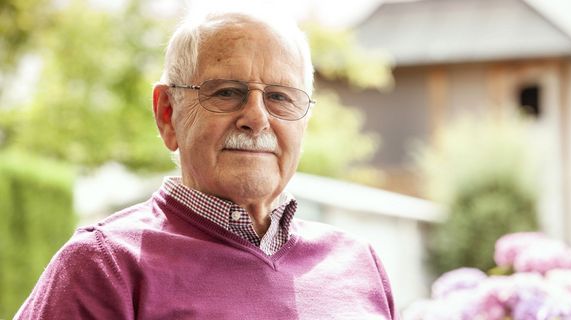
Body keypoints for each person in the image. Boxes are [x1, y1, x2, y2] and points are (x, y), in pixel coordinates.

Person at [15, 7, 396, 320]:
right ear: (167, 114)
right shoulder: (105, 265)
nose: (257, 118)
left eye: (280, 97)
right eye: (227, 92)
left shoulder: (358, 263)